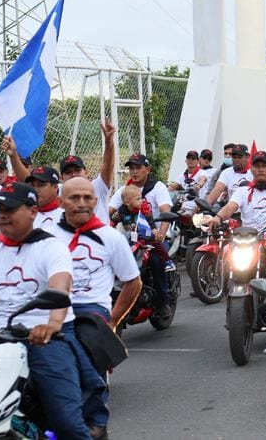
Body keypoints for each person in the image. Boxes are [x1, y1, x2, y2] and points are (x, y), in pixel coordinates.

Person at [0, 181, 102, 439]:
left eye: (10, 208)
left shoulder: (51, 247)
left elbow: (60, 285)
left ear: (33, 211)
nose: (3, 215)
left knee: (67, 422)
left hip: (45, 339)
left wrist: (52, 324)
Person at [53, 178, 142, 438]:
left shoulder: (111, 238)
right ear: (61, 202)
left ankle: (95, 422)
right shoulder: (48, 237)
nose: (81, 204)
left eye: (87, 197)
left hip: (91, 310)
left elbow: (132, 282)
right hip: (55, 305)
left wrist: (112, 320)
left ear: (95, 201)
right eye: (73, 198)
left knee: (90, 336)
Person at [207, 151, 266, 299]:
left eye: (264, 165)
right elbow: (231, 207)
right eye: (257, 166)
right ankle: (232, 310)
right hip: (248, 241)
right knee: (228, 263)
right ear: (251, 169)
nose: (261, 169)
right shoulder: (242, 191)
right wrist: (216, 218)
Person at [3, 119, 117, 225]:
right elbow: (29, 181)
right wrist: (14, 156)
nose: (73, 174)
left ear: (86, 172)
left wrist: (108, 142)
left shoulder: (97, 187)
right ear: (62, 177)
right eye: (68, 172)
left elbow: (108, 165)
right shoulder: (60, 190)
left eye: (77, 170)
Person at [109, 153, 174, 317]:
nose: (134, 171)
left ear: (148, 169)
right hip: (130, 240)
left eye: (138, 167)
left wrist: (161, 233)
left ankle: (163, 301)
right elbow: (108, 212)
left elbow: (166, 211)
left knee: (156, 261)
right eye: (131, 168)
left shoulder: (158, 187)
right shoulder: (125, 191)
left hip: (154, 239)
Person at [169, 150, 208, 214]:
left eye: (193, 159)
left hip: (198, 207)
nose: (190, 161)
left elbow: (202, 180)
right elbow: (172, 187)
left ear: (198, 161)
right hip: (184, 207)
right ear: (186, 160)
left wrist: (197, 186)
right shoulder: (183, 175)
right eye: (188, 158)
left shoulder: (202, 173)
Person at [26, 166, 63, 232]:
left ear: (55, 187)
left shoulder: (65, 215)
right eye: (32, 186)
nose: (36, 190)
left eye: (41, 185)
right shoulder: (26, 215)